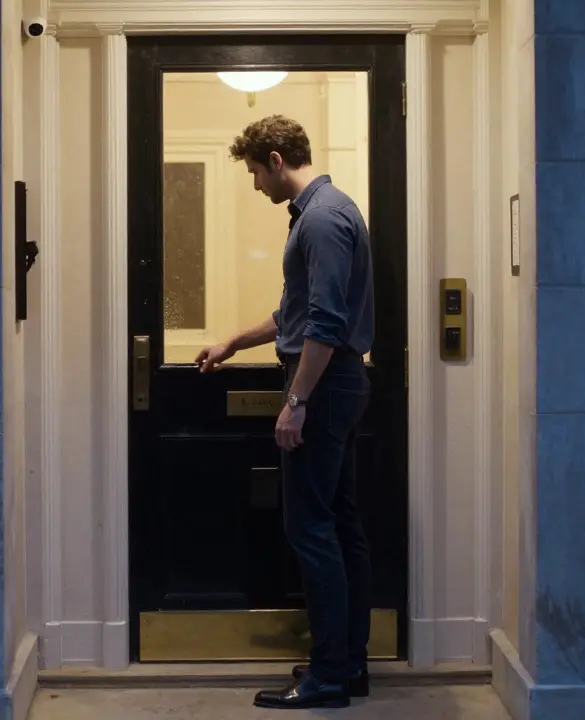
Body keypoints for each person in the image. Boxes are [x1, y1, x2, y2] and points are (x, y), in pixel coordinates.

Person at [195, 115, 375, 710]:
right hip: (338, 384)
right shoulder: (327, 213)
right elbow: (293, 315)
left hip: (324, 388)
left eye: (252, 172)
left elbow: (323, 324)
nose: (253, 185)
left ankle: (328, 677)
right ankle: (345, 667)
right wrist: (231, 343)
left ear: (275, 158)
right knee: (339, 526)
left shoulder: (321, 220)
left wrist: (295, 402)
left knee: (311, 529)